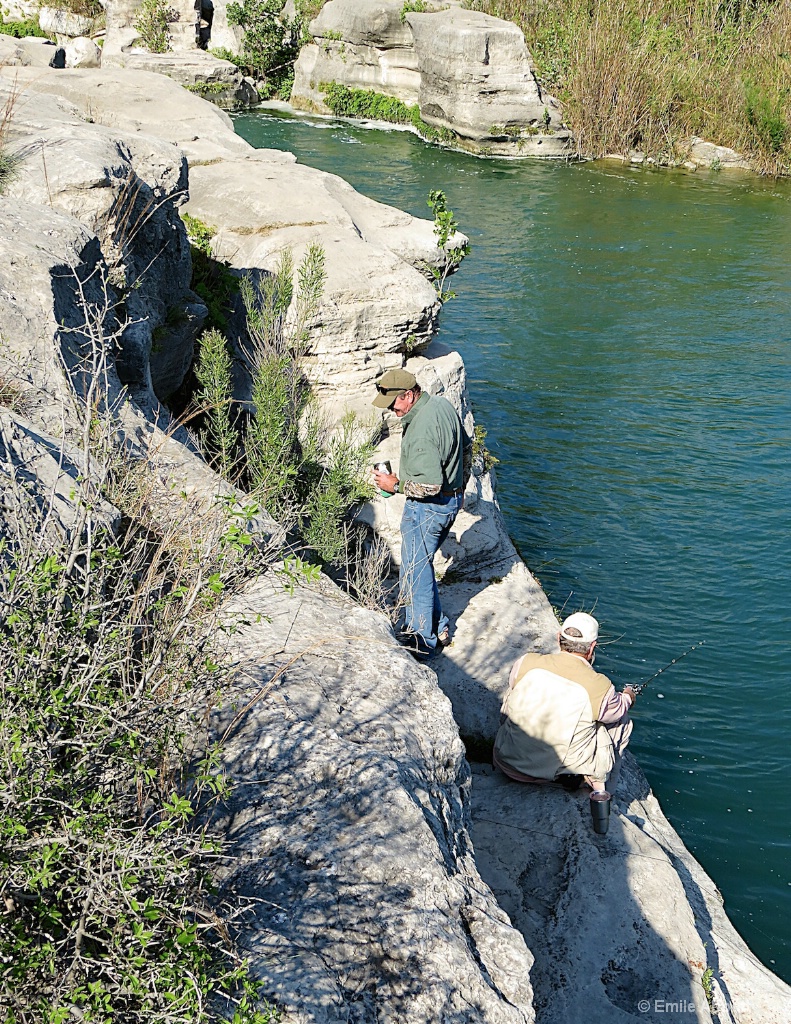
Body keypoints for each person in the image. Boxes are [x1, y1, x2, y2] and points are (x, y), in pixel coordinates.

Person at [372, 368, 467, 657]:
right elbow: (467, 446)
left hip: (428, 509)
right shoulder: (441, 405)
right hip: (448, 503)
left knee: (414, 572)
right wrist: (459, 488)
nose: (392, 410)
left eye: (394, 404)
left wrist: (395, 484)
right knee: (421, 567)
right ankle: (439, 627)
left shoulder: (423, 429)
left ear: (410, 395)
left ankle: (421, 639)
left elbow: (430, 485)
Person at [493, 612, 635, 793]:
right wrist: (629, 696)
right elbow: (619, 710)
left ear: (558, 638)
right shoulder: (599, 685)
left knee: (514, 690)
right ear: (592, 647)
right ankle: (603, 790)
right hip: (553, 775)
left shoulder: (526, 662)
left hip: (507, 763)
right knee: (621, 720)